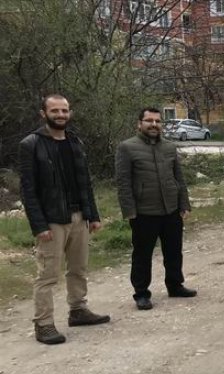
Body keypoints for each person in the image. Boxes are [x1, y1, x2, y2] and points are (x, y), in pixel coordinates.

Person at [18, 94, 111, 344]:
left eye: (64, 110)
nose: (60, 115)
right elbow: (28, 190)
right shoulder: (31, 144)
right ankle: (44, 324)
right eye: (55, 111)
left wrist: (93, 215)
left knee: (78, 268)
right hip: (52, 220)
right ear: (43, 114)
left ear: (70, 113)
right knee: (48, 274)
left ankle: (78, 310)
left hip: (79, 217)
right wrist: (39, 225)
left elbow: (85, 182)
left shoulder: (75, 142)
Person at [116, 107, 196, 311]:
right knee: (142, 255)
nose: (154, 125)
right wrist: (129, 211)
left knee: (174, 251)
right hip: (144, 212)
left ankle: (175, 285)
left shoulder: (169, 147)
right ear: (139, 124)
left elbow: (179, 178)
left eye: (158, 121)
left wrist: (184, 204)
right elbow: (123, 182)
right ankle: (142, 293)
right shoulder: (127, 147)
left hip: (171, 209)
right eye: (149, 121)